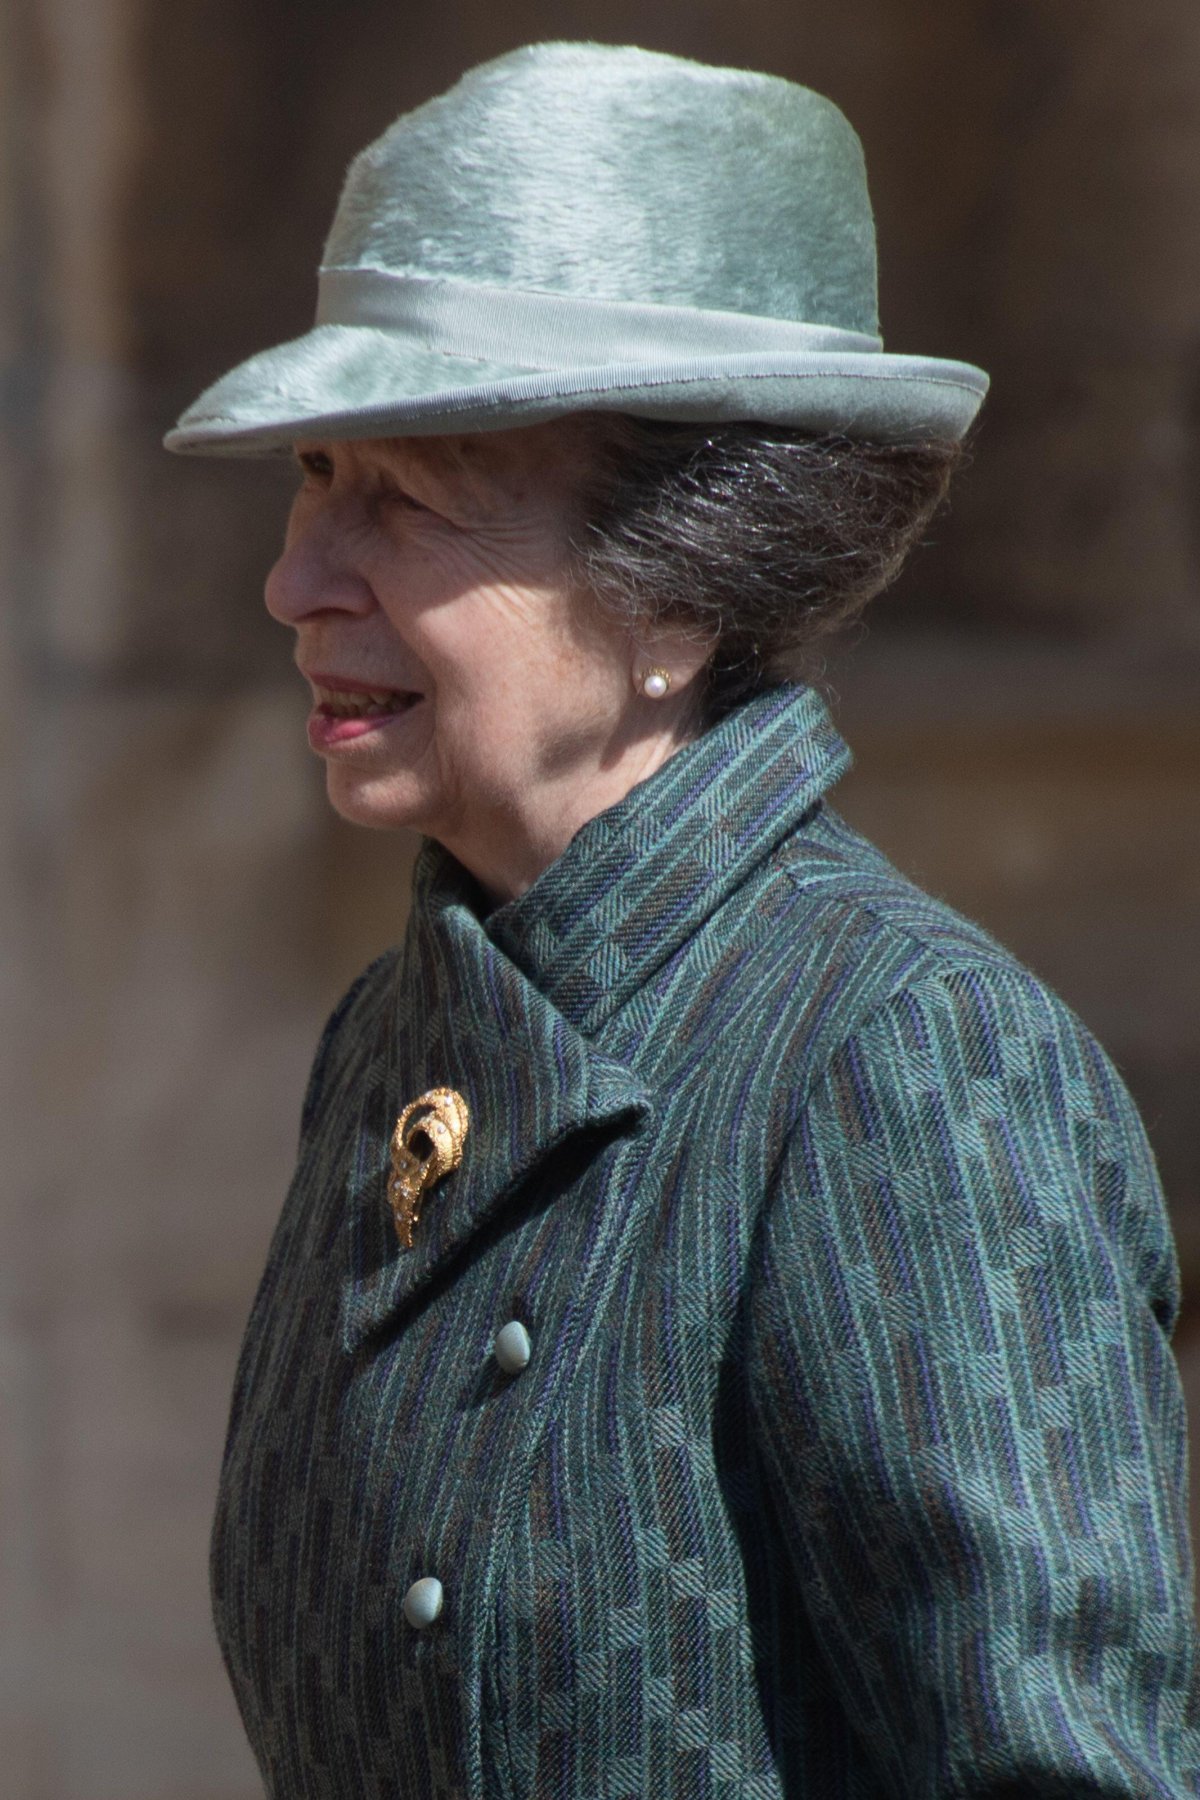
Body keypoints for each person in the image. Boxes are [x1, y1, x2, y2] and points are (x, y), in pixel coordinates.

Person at [166, 42, 1200, 1799]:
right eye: (315, 473)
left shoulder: (905, 1064)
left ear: (678, 593)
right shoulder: (397, 1040)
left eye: (407, 501)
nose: (296, 580)